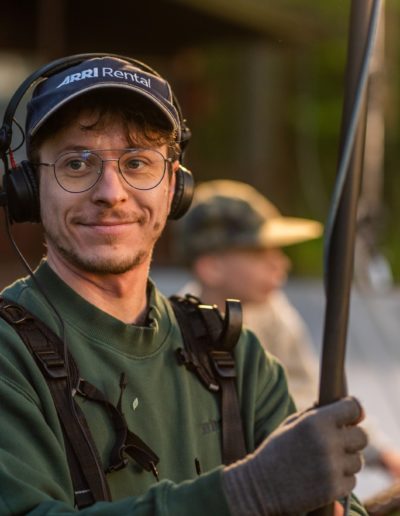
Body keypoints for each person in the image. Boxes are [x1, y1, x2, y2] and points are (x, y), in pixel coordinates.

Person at [0, 54, 367, 515]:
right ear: (29, 187)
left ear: (175, 186)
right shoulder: (8, 355)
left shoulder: (233, 357)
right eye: (76, 163)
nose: (111, 192)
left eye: (137, 163)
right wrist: (245, 493)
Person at [175, 178, 400, 479]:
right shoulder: (176, 332)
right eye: (260, 254)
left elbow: (311, 393)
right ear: (211, 267)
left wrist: (380, 453)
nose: (280, 264)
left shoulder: (272, 314)